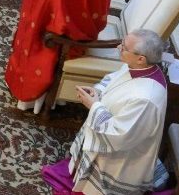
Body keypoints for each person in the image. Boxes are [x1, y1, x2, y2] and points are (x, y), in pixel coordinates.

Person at [42, 29, 169, 195]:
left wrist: (94, 106)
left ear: (141, 58)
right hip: (109, 134)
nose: (118, 47)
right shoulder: (137, 67)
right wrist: (97, 92)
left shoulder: (146, 99)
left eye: (124, 47)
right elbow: (112, 80)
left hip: (120, 158)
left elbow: (119, 135)